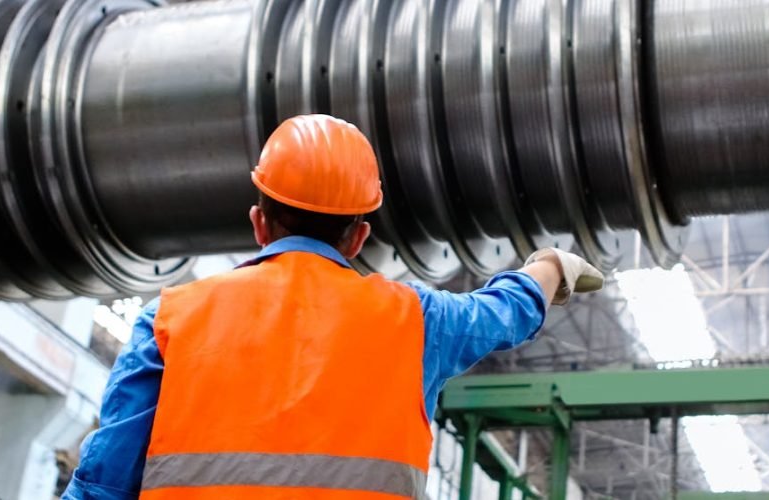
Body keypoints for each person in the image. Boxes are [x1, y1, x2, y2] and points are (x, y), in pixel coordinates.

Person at [62, 114, 603, 499]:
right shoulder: (417, 321)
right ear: (359, 237)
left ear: (258, 222)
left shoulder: (171, 318)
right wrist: (549, 267)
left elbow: (102, 484)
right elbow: (504, 312)